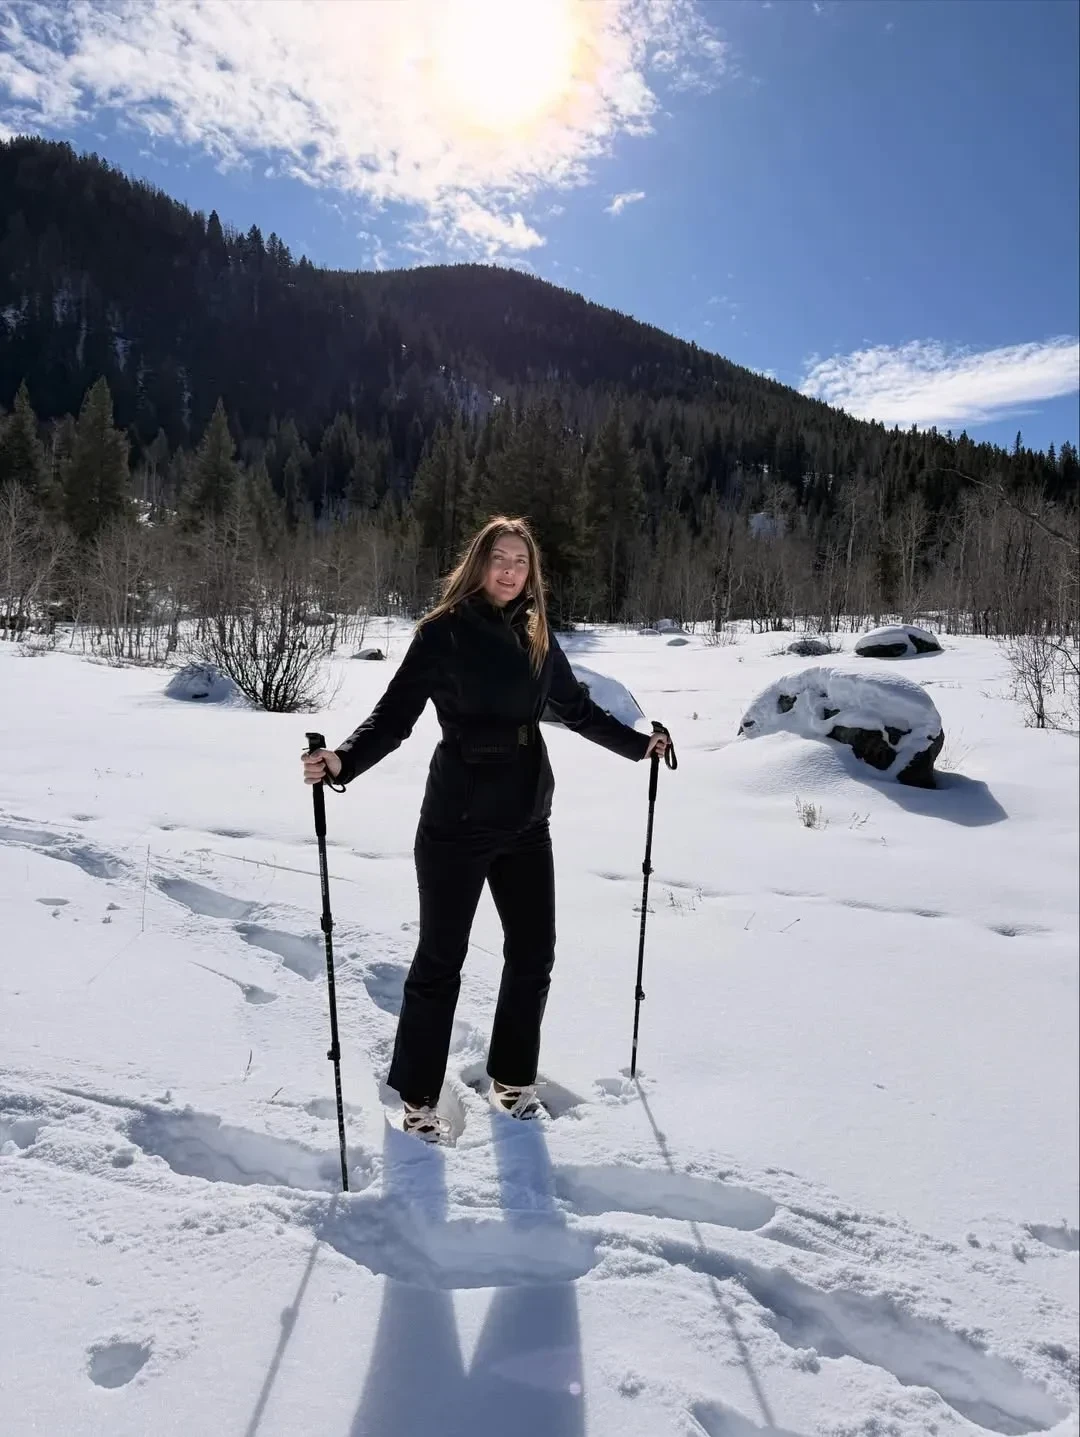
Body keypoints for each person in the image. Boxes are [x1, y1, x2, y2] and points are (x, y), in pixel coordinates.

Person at [301, 516, 671, 1144]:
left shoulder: (537, 632)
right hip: (457, 822)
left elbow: (577, 710)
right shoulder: (442, 633)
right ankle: (419, 1100)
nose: (509, 570)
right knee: (440, 960)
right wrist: (342, 761)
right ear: (478, 562)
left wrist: (640, 746)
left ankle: (512, 1080)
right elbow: (394, 717)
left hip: (526, 819)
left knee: (534, 952)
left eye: (520, 562)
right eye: (499, 558)